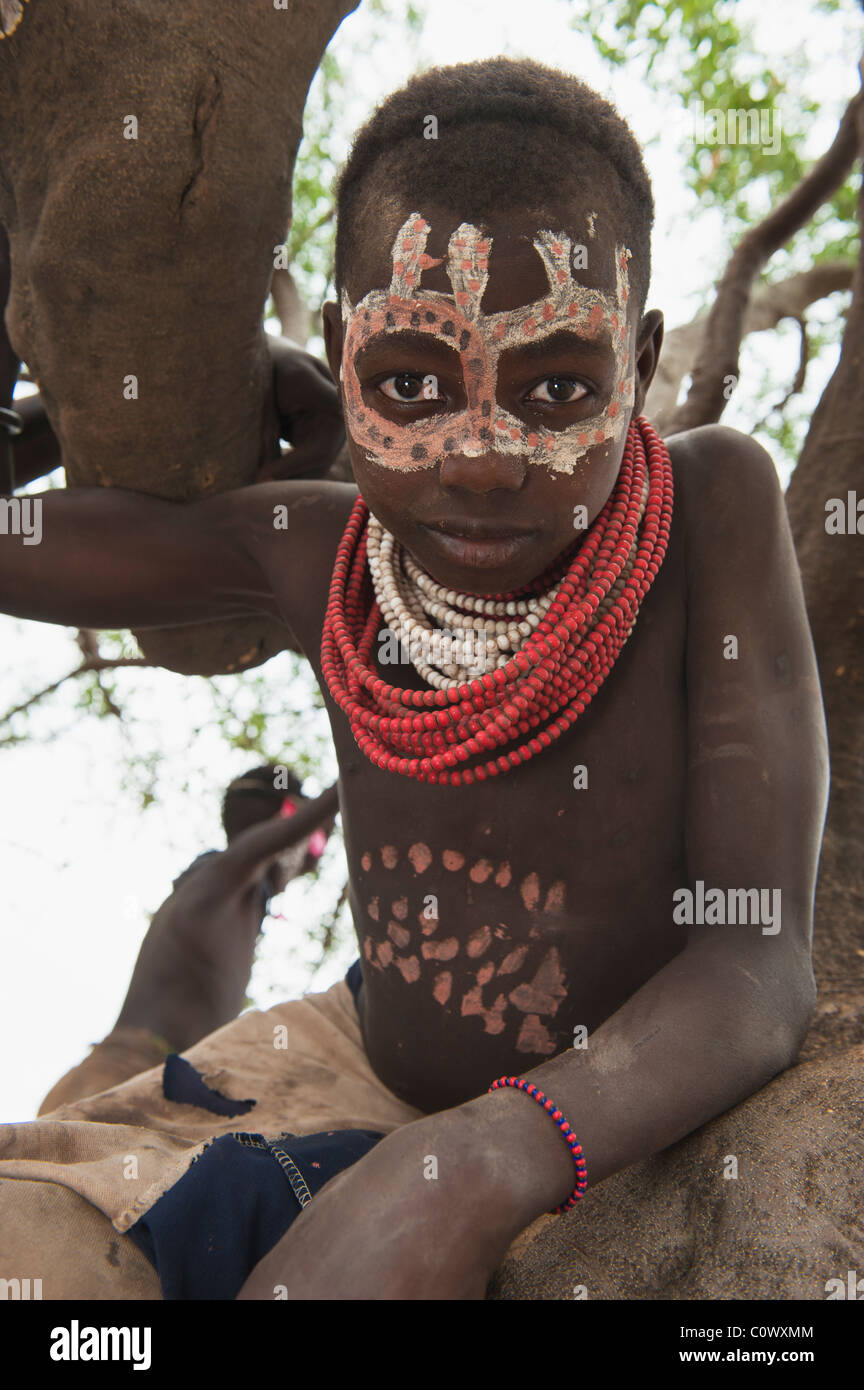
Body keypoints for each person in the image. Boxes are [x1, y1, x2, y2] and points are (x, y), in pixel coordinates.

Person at [0, 58, 829, 1301]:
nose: (483, 459)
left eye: (558, 386)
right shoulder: (312, 552)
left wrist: (483, 1156)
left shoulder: (713, 503)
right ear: (342, 352)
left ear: (643, 364)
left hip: (598, 1119)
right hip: (327, 1060)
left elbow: (755, 964)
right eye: (409, 385)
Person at [37, 767, 337, 1115]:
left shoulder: (238, 897)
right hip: (117, 1082)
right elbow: (276, 838)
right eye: (315, 839)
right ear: (286, 818)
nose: (315, 857)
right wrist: (352, 776)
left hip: (155, 1092)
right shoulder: (220, 874)